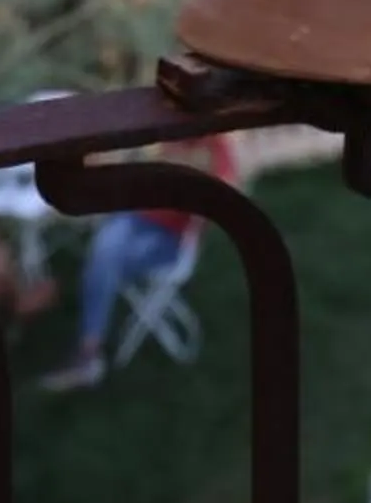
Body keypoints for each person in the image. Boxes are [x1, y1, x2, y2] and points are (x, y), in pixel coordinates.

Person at [40, 131, 239, 391]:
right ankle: (89, 351)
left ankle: (88, 353)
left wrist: (196, 176)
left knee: (104, 259)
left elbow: (229, 188)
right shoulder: (167, 133)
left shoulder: (213, 144)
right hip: (135, 215)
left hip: (171, 239)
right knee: (105, 249)